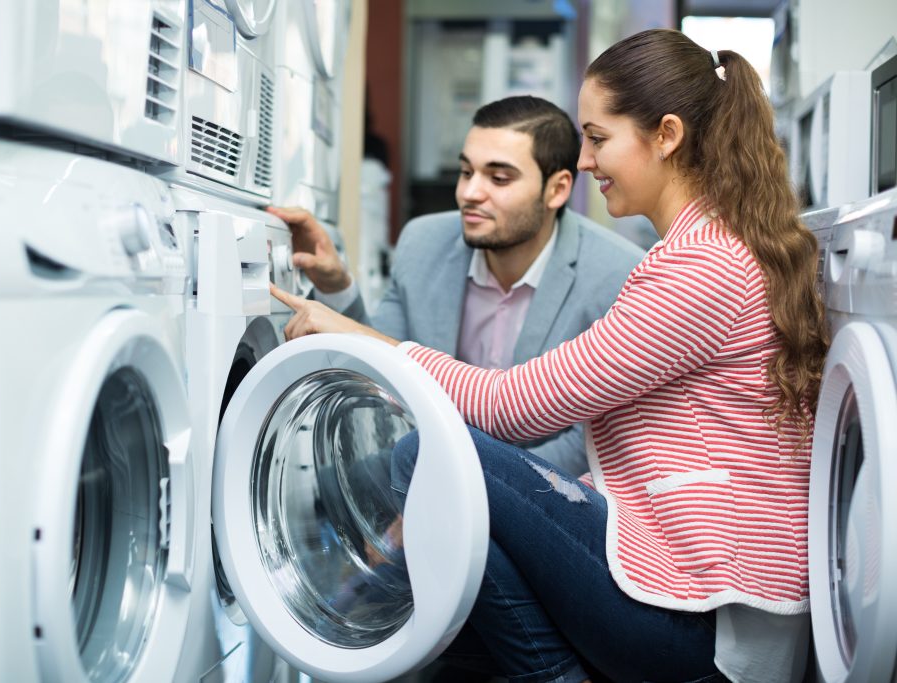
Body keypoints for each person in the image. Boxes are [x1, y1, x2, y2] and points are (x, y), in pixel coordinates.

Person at [271, 28, 829, 683]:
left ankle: (329, 630)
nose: (589, 161)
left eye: (598, 138)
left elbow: (514, 410)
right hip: (698, 599)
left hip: (704, 625)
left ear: (667, 135)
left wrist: (358, 338)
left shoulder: (701, 268)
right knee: (461, 536)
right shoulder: (713, 251)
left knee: (423, 461)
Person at [269, 95, 644, 476]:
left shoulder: (618, 273)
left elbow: (591, 438)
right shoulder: (423, 243)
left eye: (499, 178)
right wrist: (336, 286)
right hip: (422, 472)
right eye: (466, 172)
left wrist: (459, 493)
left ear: (557, 189)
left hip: (546, 499)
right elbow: (381, 370)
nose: (470, 193)